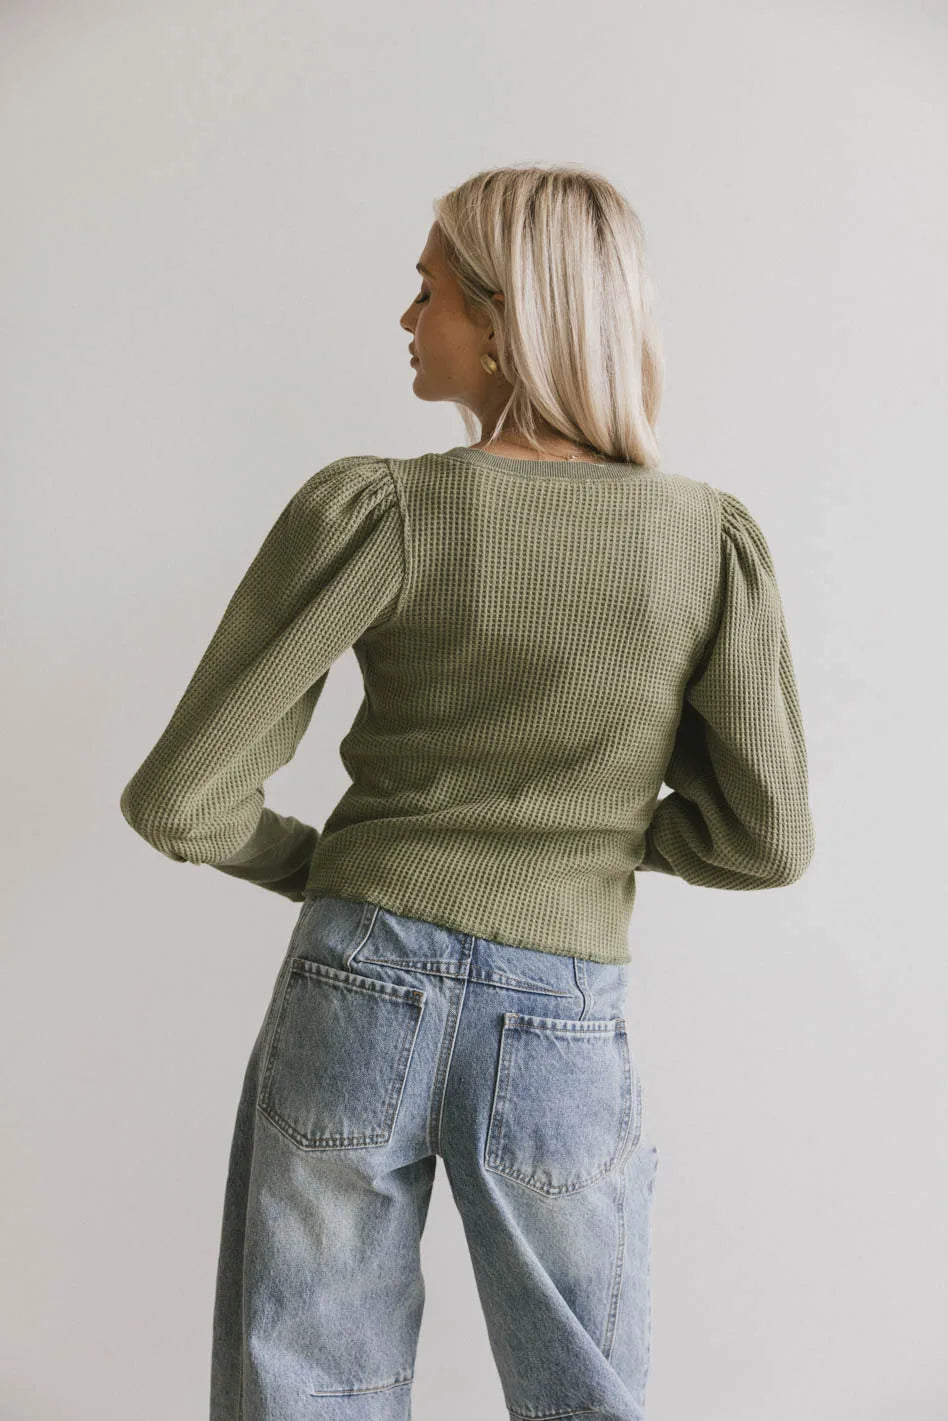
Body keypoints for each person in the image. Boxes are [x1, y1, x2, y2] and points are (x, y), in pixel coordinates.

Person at [120, 164, 815, 1421]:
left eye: (427, 290)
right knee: (586, 1395)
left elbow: (183, 796)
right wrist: (597, 837)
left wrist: (340, 866)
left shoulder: (384, 510)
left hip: (358, 976)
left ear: (503, 320)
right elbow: (764, 839)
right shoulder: (707, 540)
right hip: (561, 1014)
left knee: (310, 1388)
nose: (406, 317)